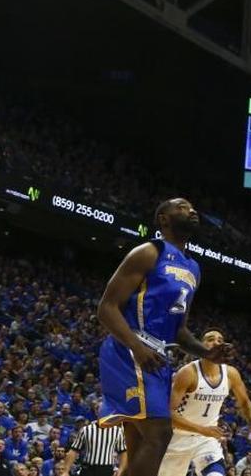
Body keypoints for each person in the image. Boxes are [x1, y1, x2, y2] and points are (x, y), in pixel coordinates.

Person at [96, 198, 230, 476]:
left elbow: (179, 330)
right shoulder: (148, 252)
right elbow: (106, 308)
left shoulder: (193, 268)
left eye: (194, 208)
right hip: (129, 350)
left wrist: (206, 353)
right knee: (160, 433)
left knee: (139, 444)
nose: (192, 211)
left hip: (157, 356)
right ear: (163, 219)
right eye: (182, 207)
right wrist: (136, 346)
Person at [159, 330, 251, 476]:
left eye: (220, 340)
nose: (216, 342)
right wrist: (202, 429)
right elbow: (169, 414)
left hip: (206, 440)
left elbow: (245, 403)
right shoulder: (188, 373)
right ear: (200, 345)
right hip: (177, 438)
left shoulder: (231, 374)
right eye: (210, 339)